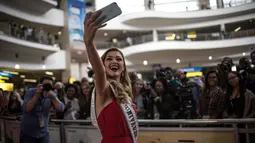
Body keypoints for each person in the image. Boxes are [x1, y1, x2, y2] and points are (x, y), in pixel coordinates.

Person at [84, 11, 138, 143]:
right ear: (103, 65)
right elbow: (100, 72)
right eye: (109, 59)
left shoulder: (126, 92)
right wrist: (89, 43)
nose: (114, 61)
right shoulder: (104, 89)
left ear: (123, 66)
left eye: (119, 59)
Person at [20, 76, 65, 143]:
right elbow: (26, 109)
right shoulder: (31, 92)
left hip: (43, 132)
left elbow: (61, 108)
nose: (46, 87)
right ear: (39, 85)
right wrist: (37, 95)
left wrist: (54, 98)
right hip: (28, 132)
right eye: (45, 85)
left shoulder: (52, 94)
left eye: (49, 85)